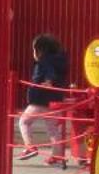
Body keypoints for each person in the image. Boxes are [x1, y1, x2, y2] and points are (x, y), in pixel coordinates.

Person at [18, 34, 69, 164]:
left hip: (40, 98)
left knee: (24, 121)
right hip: (54, 99)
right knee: (52, 128)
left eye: (34, 50)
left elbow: (49, 72)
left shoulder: (44, 61)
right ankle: (57, 156)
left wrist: (48, 81)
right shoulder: (59, 61)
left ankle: (30, 147)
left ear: (39, 50)